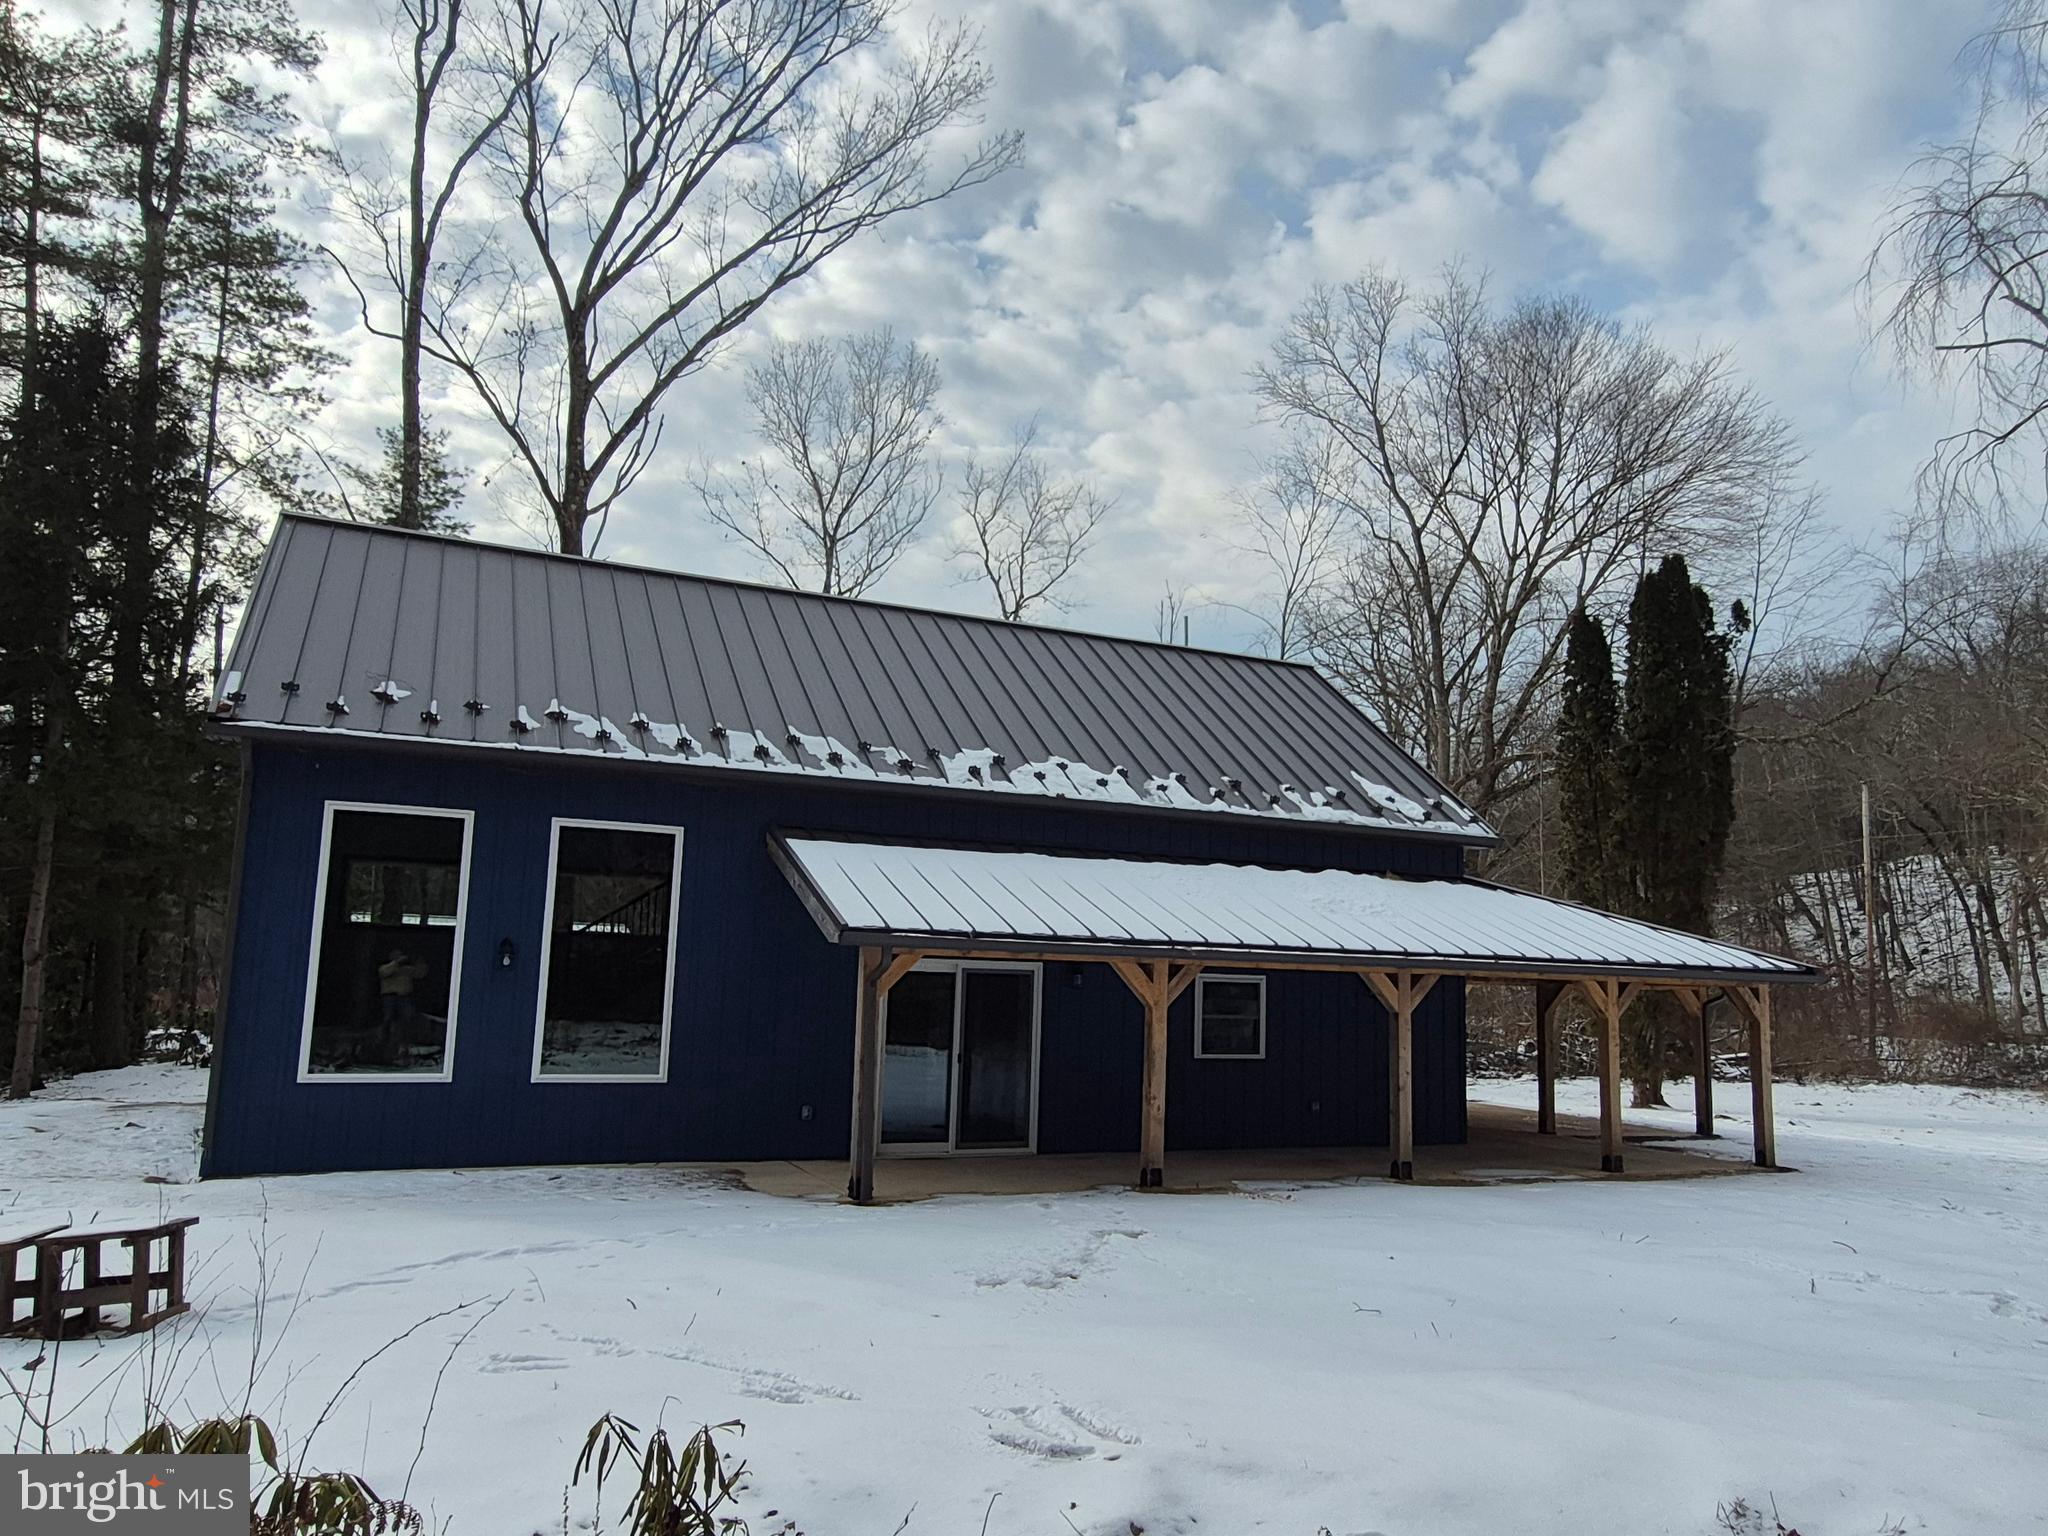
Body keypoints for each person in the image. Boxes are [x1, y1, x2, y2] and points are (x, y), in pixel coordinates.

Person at [377, 948, 429, 1063]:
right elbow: (383, 973)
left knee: (407, 1019)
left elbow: (420, 974)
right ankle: (384, 1042)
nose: (399, 957)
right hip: (390, 997)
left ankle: (404, 1045)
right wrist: (396, 963)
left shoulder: (406, 970)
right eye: (396, 956)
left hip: (404, 998)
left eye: (400, 955)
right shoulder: (385, 967)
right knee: (388, 1019)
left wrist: (421, 963)